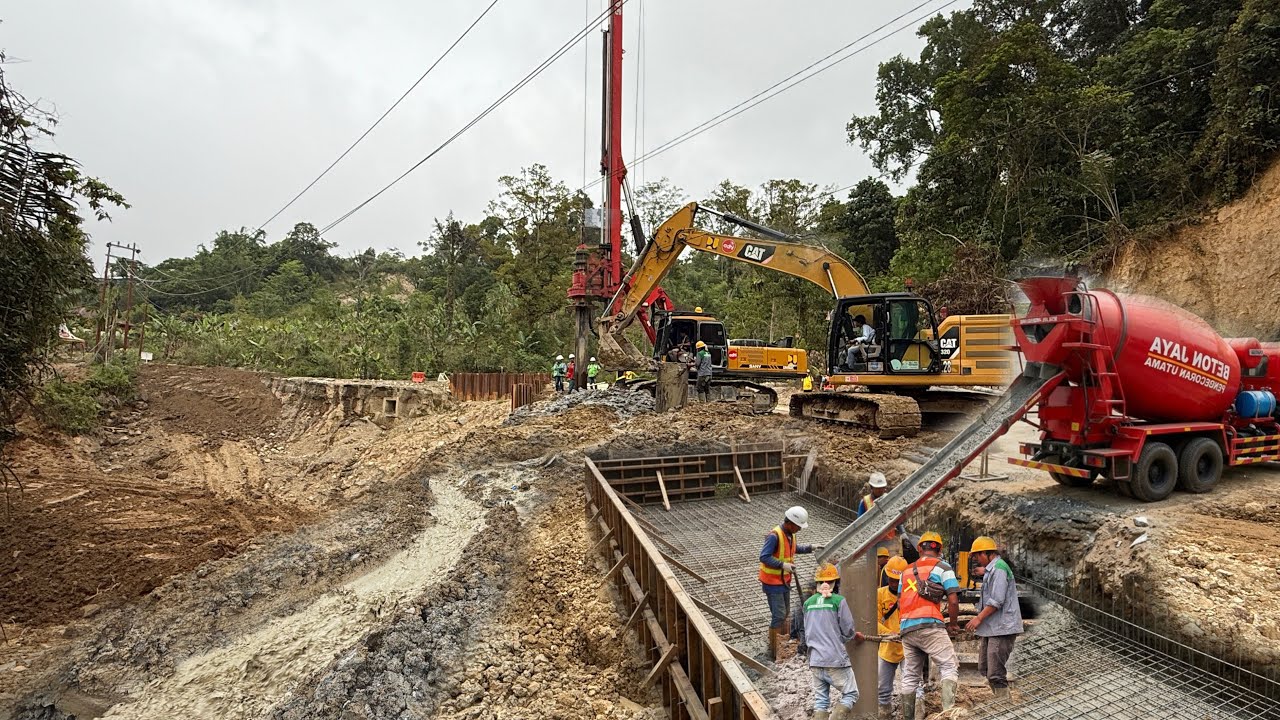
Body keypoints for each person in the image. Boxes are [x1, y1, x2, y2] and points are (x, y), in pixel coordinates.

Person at [897, 531, 962, 718]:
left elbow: (901, 601)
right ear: (940, 549)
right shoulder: (943, 567)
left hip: (907, 629)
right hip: (930, 625)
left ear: (919, 549)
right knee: (949, 666)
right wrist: (953, 624)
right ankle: (948, 714)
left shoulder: (906, 571)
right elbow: (954, 600)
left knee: (910, 676)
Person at [793, 562, 864, 720]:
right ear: (836, 582)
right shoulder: (838, 601)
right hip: (834, 659)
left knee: (821, 701)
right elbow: (848, 629)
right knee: (851, 694)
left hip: (815, 660)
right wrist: (850, 637)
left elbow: (805, 628)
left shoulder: (808, 603)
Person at [758, 505, 819, 661]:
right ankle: (773, 650)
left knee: (785, 613)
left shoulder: (790, 534)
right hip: (772, 582)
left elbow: (792, 549)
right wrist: (782, 565)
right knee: (778, 615)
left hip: (783, 581)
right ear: (791, 523)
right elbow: (764, 556)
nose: (799, 529)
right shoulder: (774, 535)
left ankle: (780, 642)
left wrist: (809, 548)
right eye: (798, 526)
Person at [965, 536, 1023, 699]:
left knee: (995, 673)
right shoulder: (994, 568)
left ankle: (1004, 704)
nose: (976, 559)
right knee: (984, 667)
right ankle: (1001, 699)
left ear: (985, 553)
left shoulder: (999, 568)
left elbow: (997, 600)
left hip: (1002, 628)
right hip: (992, 627)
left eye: (977, 555)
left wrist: (978, 618)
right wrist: (985, 571)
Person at [876, 555, 925, 719]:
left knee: (914, 684)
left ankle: (916, 712)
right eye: (892, 579)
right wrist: (888, 634)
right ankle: (884, 713)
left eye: (898, 580)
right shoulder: (880, 595)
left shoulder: (913, 595)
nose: (894, 583)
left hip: (909, 647)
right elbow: (873, 621)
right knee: (883, 687)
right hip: (888, 647)